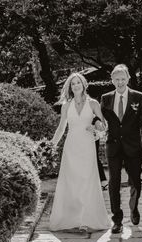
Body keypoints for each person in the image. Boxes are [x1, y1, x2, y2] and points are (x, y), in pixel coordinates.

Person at [100, 64, 142, 234]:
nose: (120, 82)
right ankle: (117, 220)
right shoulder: (105, 98)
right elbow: (98, 119)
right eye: (116, 79)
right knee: (114, 183)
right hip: (113, 146)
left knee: (135, 181)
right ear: (112, 80)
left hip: (133, 147)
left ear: (127, 79)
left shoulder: (137, 96)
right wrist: (95, 125)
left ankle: (134, 208)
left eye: (122, 79)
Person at [49, 72, 111, 232]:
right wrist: (51, 146)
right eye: (73, 83)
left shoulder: (93, 103)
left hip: (87, 146)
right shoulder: (66, 105)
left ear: (84, 84)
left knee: (87, 181)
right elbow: (62, 127)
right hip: (71, 147)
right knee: (71, 182)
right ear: (70, 87)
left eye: (78, 82)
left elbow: (104, 126)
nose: (76, 86)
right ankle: (72, 220)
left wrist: (95, 128)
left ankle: (86, 220)